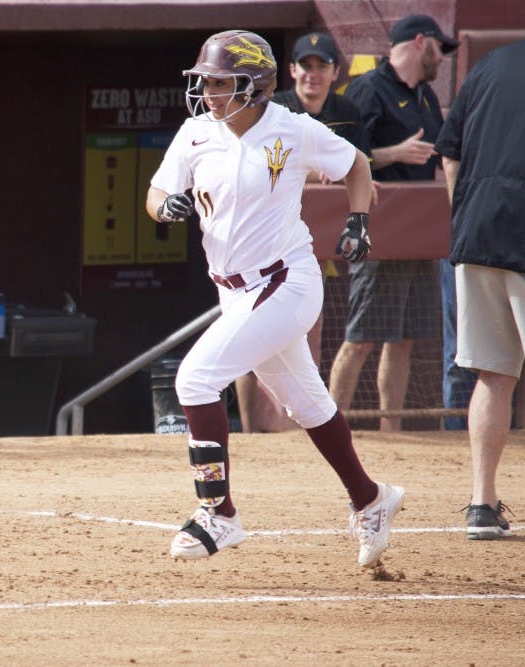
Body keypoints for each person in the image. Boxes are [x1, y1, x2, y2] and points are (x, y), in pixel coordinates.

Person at [146, 30, 403, 567]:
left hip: (286, 280)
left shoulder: (291, 128)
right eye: (206, 82)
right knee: (307, 404)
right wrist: (166, 204)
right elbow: (155, 190)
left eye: (221, 83)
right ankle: (371, 498)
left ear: (256, 85)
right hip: (233, 290)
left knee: (194, 379)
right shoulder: (197, 132)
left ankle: (219, 513)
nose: (210, 93)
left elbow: (356, 163)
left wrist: (358, 221)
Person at [235, 31, 373, 433]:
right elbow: (257, 163)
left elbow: (357, 164)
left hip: (312, 241)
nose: (313, 74)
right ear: (291, 71)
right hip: (261, 239)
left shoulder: (346, 110)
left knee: (306, 332)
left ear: (334, 73)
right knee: (247, 336)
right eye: (305, 66)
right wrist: (315, 170)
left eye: (322, 66)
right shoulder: (274, 109)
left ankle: (303, 430)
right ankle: (250, 431)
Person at [328, 14, 458, 431]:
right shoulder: (368, 89)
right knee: (361, 336)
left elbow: (442, 153)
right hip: (379, 229)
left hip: (419, 233)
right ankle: (330, 430)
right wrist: (395, 154)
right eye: (440, 48)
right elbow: (347, 159)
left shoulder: (423, 96)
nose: (443, 58)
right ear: (421, 42)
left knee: (403, 338)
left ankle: (392, 430)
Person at [435, 39, 525, 539]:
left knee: (493, 374)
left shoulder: (490, 64)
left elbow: (449, 157)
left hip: (477, 234)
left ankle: (482, 505)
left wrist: (464, 219)